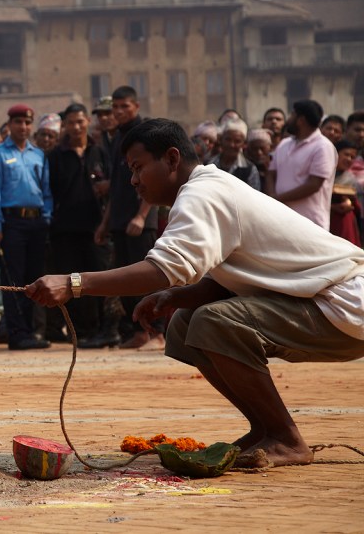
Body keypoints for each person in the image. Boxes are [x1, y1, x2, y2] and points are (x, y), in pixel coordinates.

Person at [25, 118, 364, 469]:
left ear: (172, 159)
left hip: (342, 304)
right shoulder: (208, 188)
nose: (133, 180)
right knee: (186, 323)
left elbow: (162, 269)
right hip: (322, 301)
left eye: (139, 168)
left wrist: (73, 283)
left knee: (213, 321)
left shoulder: (203, 193)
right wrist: (177, 297)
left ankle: (286, 438)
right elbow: (238, 272)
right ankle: (264, 428)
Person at [95, 85, 161, 349]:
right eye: (115, 107)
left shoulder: (146, 135)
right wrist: (105, 223)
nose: (119, 111)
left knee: (146, 276)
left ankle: (156, 334)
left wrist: (142, 216)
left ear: (137, 107)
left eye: (125, 106)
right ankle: (138, 333)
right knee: (124, 279)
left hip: (140, 221)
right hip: (120, 219)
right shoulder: (117, 139)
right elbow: (117, 187)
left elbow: (153, 179)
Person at [0, 103, 53, 350]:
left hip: (36, 222)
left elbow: (45, 191)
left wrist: (46, 217)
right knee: (13, 278)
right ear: (9, 124)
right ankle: (17, 333)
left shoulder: (38, 155)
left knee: (34, 278)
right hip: (10, 222)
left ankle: (32, 332)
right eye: (17, 122)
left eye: (26, 122)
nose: (22, 127)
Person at [47, 103, 110, 343]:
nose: (76, 126)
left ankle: (103, 331)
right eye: (71, 122)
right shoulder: (55, 155)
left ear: (87, 122)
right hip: (64, 229)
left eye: (80, 121)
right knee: (72, 284)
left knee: (99, 278)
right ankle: (80, 333)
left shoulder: (99, 152)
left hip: (96, 228)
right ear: (65, 125)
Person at [265, 99, 336, 229]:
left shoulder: (323, 146)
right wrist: (272, 199)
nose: (288, 119)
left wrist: (278, 198)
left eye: (292, 115)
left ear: (301, 120)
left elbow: (314, 185)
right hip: (282, 219)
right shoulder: (284, 144)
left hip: (310, 223)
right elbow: (271, 173)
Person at [207, 118, 260, 191]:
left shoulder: (250, 169)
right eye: (228, 139)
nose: (232, 145)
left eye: (237, 141)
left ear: (244, 144)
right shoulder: (208, 165)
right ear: (221, 140)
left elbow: (254, 197)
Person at [331, 139, 361, 246]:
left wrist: (349, 204)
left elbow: (357, 205)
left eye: (352, 157)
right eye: (346, 154)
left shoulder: (351, 179)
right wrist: (333, 207)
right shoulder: (324, 173)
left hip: (344, 223)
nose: (349, 159)